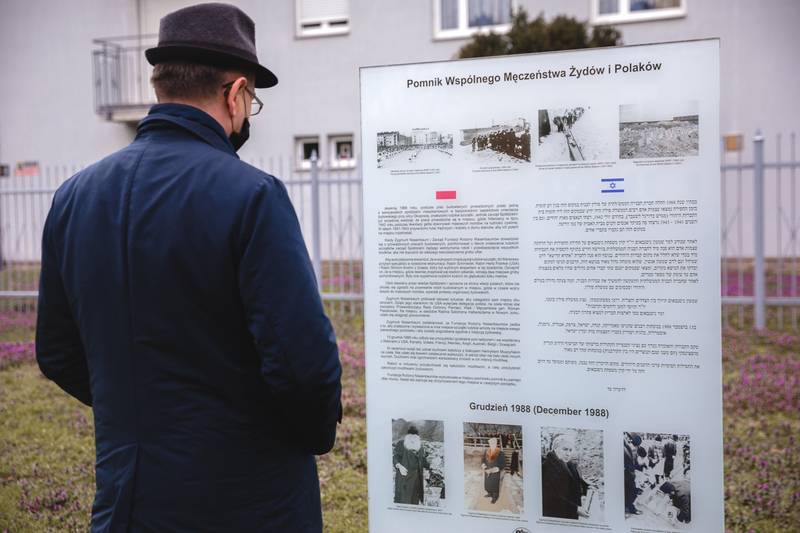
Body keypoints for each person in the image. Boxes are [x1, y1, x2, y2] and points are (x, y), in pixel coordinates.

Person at [35, 4, 342, 532]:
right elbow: (304, 369)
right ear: (234, 93)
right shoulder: (252, 195)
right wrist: (310, 435)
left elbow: (57, 352)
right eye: (252, 102)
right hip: (248, 504)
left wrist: (142, 410)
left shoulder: (72, 197)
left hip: (125, 503)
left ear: (161, 85)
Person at [541, 435, 590, 519]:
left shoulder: (569, 464)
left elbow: (576, 480)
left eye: (570, 450)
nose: (568, 453)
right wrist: (576, 509)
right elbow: (552, 496)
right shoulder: (547, 466)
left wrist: (587, 486)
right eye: (565, 449)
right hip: (556, 514)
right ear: (555, 448)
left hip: (569, 511)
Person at [393, 426, 431, 504]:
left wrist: (430, 466)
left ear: (417, 437)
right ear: (407, 437)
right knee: (404, 501)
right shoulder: (401, 444)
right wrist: (399, 466)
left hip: (417, 479)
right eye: (410, 436)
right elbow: (395, 457)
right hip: (404, 478)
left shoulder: (420, 447)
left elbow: (422, 460)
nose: (412, 439)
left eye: (414, 437)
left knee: (414, 501)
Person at [481, 437, 506, 504]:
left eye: (494, 443)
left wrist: (498, 468)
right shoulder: (486, 451)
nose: (492, 445)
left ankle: (495, 497)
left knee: (494, 485)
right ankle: (489, 493)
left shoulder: (500, 453)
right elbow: (483, 459)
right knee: (488, 483)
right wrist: (483, 464)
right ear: (489, 444)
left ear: (496, 444)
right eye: (491, 443)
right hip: (487, 471)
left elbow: (503, 463)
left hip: (495, 472)